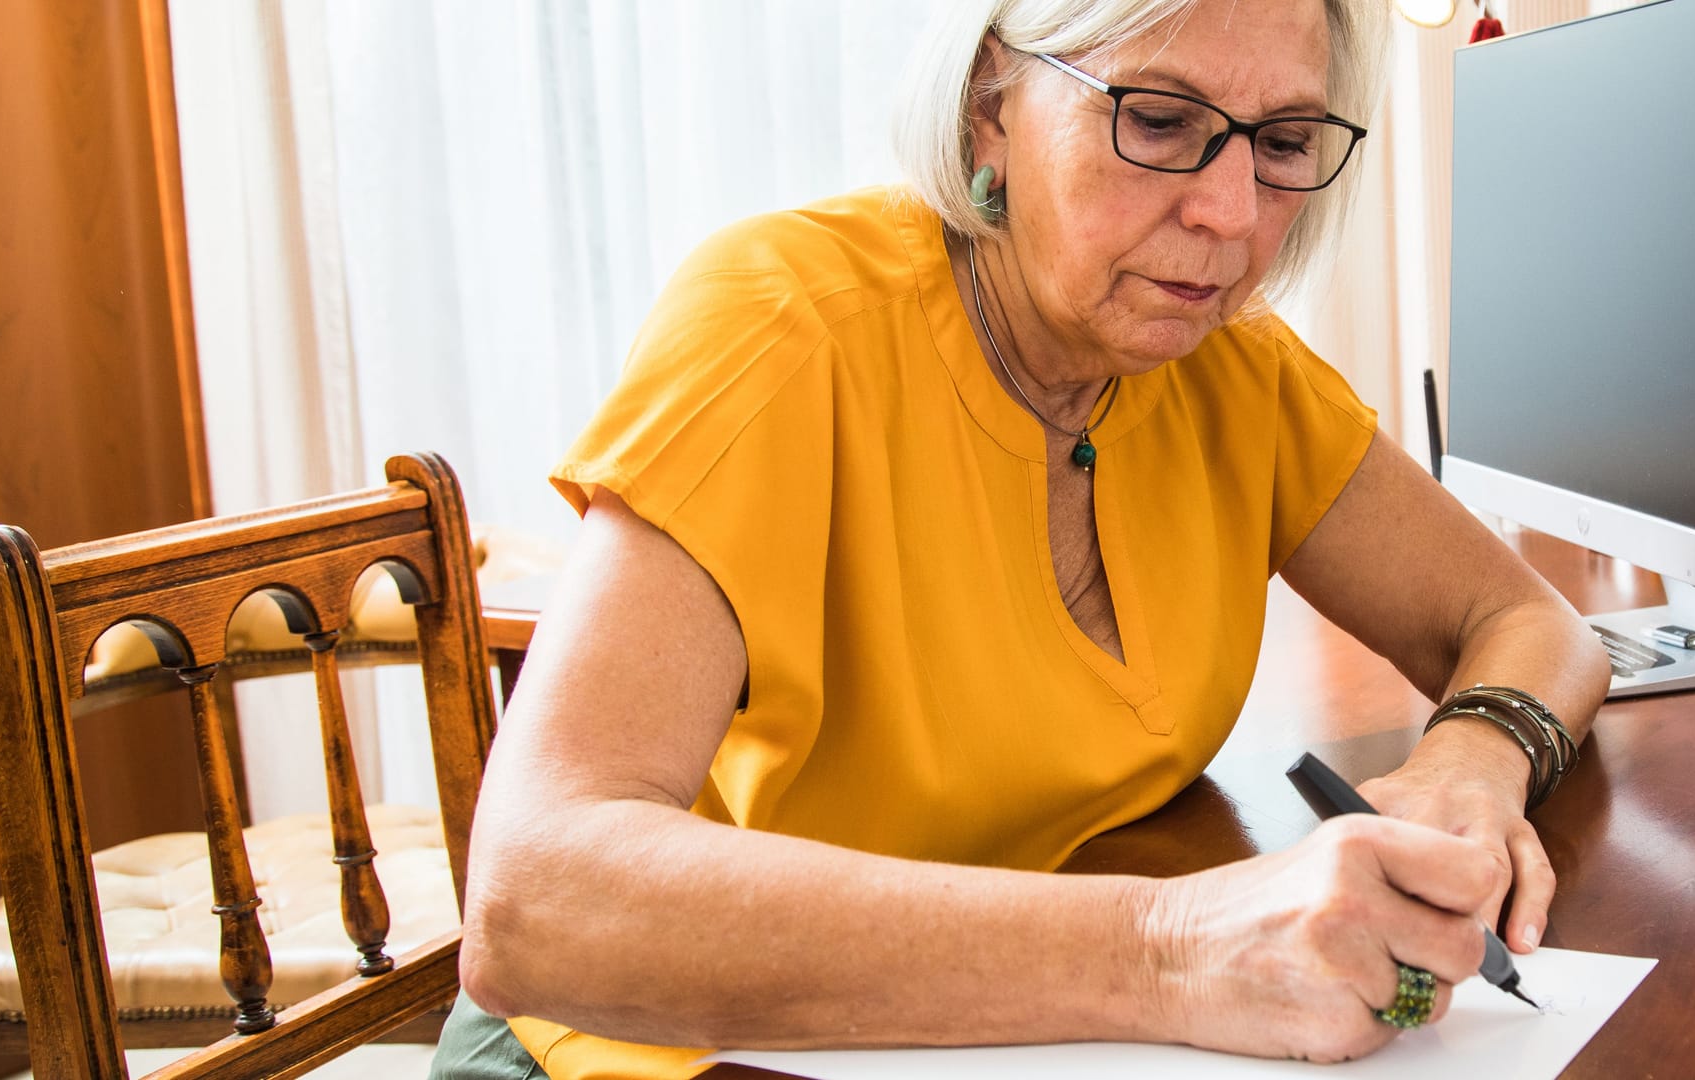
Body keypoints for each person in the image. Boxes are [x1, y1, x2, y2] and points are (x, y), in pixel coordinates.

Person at [437, 0, 1611, 1077]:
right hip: (650, 1052)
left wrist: (1468, 763)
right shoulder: (781, 326)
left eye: (1286, 142)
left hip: (1002, 1036)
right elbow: (536, 905)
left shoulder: (1234, 373)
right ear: (986, 107)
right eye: (1157, 120)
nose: (1232, 212)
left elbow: (1527, 622)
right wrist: (1172, 949)